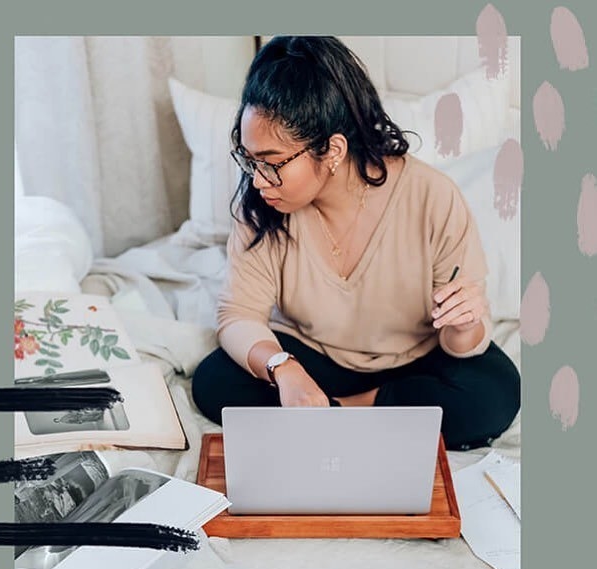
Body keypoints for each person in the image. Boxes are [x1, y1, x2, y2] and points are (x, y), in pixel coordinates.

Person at [192, 36, 520, 450]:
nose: (257, 180)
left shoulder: (431, 196)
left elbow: (461, 344)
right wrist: (285, 370)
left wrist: (465, 324)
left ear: (332, 150)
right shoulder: (261, 205)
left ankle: (339, 413)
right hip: (316, 358)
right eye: (250, 159)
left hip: (415, 363)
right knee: (213, 381)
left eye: (272, 164)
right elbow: (238, 314)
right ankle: (347, 413)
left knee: (495, 392)